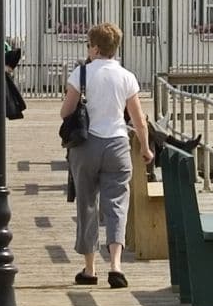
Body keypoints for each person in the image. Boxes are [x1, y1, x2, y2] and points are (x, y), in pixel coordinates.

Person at [59, 21, 152, 289]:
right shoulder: (126, 76)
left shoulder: (81, 74)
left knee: (87, 204)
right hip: (118, 145)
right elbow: (139, 119)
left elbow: (66, 112)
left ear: (96, 48)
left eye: (89, 45)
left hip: (86, 145)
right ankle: (116, 265)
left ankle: (90, 269)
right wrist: (145, 148)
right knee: (116, 205)